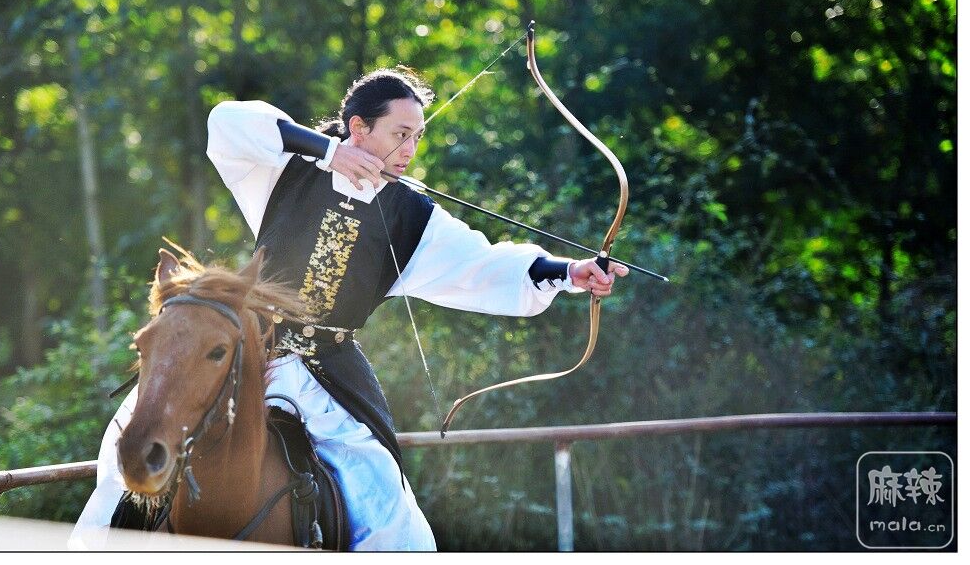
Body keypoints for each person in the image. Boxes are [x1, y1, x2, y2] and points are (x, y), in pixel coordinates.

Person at [71, 68, 627, 551]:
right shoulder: (286, 168)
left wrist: (569, 273)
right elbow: (228, 123)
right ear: (358, 127)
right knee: (125, 454)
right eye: (400, 134)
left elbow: (482, 265)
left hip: (329, 375)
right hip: (242, 356)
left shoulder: (411, 215)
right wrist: (327, 151)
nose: (410, 150)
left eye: (417, 137)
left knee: (389, 513)